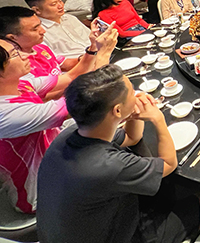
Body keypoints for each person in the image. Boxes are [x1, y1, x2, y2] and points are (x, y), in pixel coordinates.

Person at [37, 65, 200, 242]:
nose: (136, 94)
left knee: (158, 191)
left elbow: (132, 137)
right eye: (132, 92)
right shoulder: (108, 165)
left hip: (71, 230)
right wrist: (158, 119)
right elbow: (168, 164)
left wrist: (132, 112)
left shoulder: (73, 133)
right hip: (118, 235)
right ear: (117, 110)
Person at [0, 29, 115, 214]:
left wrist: (93, 48)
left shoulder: (21, 84)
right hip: (45, 191)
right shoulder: (7, 113)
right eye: (14, 54)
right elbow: (86, 100)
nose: (24, 55)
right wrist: (104, 54)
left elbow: (70, 76)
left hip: (61, 158)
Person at [0, 6, 115, 85]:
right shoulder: (14, 67)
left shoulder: (39, 47)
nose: (43, 31)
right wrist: (103, 52)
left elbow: (66, 66)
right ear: (12, 37)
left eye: (40, 25)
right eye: (35, 29)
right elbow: (50, 94)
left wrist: (93, 47)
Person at [23, 0, 91, 64]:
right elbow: (57, 63)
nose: (60, 6)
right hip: (79, 64)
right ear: (37, 10)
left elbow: (93, 37)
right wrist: (88, 59)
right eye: (54, 4)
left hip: (95, 55)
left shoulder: (70, 18)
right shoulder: (38, 32)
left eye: (60, 1)